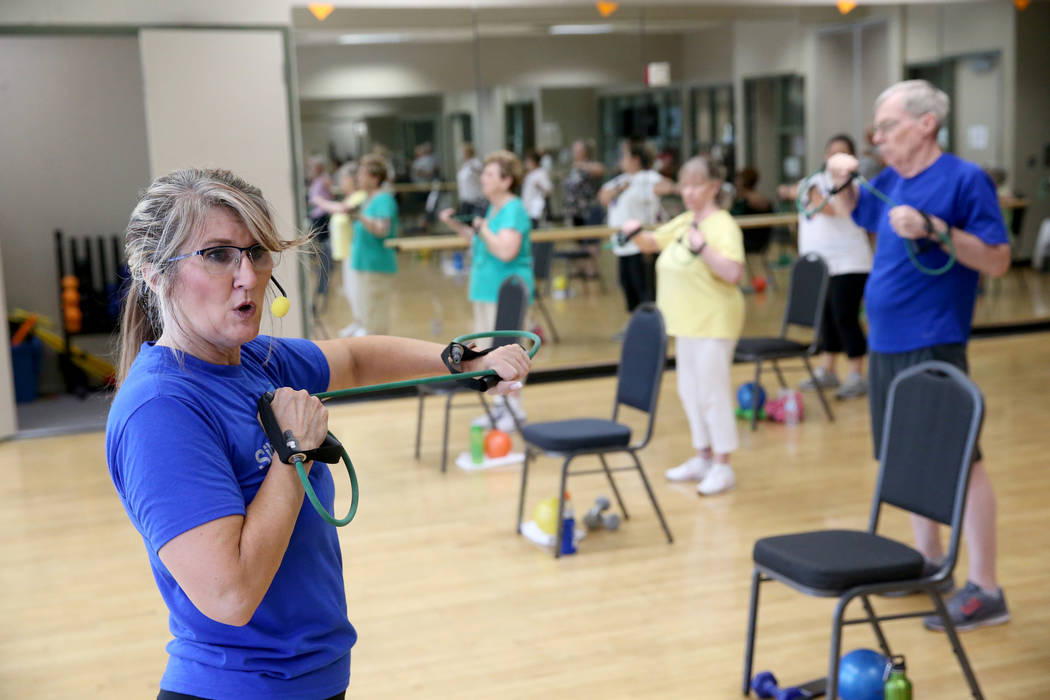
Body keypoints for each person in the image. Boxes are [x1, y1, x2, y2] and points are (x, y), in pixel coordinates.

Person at [105, 167, 530, 700]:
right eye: (217, 255)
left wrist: (462, 361)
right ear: (153, 272)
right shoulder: (161, 409)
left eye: (256, 252)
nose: (248, 276)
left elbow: (353, 358)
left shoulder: (256, 361)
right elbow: (230, 595)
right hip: (239, 689)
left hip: (312, 679)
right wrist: (292, 453)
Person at [826, 79, 1011, 631]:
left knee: (962, 461)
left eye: (887, 126)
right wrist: (842, 184)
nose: (877, 137)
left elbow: (998, 260)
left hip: (933, 340)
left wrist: (935, 229)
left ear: (925, 123)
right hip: (885, 343)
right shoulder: (889, 180)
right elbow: (855, 214)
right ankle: (930, 564)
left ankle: (987, 587)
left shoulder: (963, 179)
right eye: (875, 129)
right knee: (903, 457)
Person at [618, 155, 745, 496]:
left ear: (714, 187)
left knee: (712, 394)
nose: (688, 192)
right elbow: (651, 243)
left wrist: (702, 248)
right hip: (684, 323)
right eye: (684, 185)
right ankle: (702, 457)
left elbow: (733, 272)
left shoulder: (722, 225)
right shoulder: (686, 220)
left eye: (696, 185)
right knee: (690, 392)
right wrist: (632, 231)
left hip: (714, 322)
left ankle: (722, 464)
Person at [439, 150, 534, 432]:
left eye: (490, 174)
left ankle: (514, 409)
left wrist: (482, 228)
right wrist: (457, 224)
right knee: (490, 351)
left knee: (508, 349)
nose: (484, 178)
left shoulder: (514, 209)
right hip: (485, 289)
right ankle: (500, 407)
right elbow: (481, 241)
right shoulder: (492, 209)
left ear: (506, 181)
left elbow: (506, 250)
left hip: (506, 292)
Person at [777, 134, 873, 400]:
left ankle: (857, 373)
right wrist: (795, 190)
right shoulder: (813, 181)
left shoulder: (854, 185)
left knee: (845, 315)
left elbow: (834, 209)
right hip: (821, 265)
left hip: (850, 262)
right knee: (826, 318)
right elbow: (789, 192)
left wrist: (809, 192)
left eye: (842, 154)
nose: (835, 159)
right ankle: (828, 368)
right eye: (832, 153)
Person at [601, 138, 674, 327]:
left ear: (635, 159)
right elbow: (603, 197)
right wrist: (620, 188)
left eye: (625, 155)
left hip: (640, 245)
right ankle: (636, 326)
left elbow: (666, 187)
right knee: (628, 287)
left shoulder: (647, 177)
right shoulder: (621, 180)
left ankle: (652, 327)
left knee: (644, 289)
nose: (621, 159)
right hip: (622, 245)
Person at [339, 154, 399, 337]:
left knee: (375, 319)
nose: (358, 178)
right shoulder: (367, 199)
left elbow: (382, 229)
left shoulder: (384, 199)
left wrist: (360, 216)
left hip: (376, 266)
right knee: (365, 312)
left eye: (362, 175)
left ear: (375, 177)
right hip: (362, 263)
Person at [306, 155, 334, 304]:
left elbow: (330, 194)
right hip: (315, 216)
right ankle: (320, 266)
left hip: (322, 216)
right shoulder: (315, 179)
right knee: (317, 245)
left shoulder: (324, 178)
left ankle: (325, 267)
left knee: (324, 247)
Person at [521, 151, 552, 229]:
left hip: (536, 208)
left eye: (528, 161)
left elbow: (549, 189)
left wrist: (540, 185)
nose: (526, 164)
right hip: (527, 207)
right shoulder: (529, 174)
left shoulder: (541, 173)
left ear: (534, 162)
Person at [455, 143, 486, 219]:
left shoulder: (476, 163)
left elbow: (481, 173)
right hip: (465, 198)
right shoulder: (464, 165)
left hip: (475, 199)